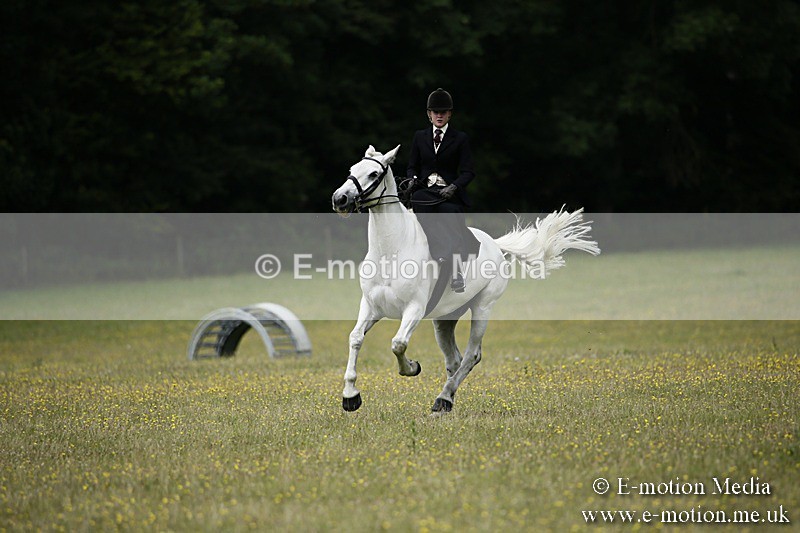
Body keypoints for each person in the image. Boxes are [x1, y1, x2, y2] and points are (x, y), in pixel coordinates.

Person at [403, 88, 479, 293]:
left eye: (443, 112)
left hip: (449, 194)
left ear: (449, 114)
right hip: (425, 191)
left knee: (450, 214)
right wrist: (412, 180)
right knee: (418, 200)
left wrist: (454, 187)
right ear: (429, 114)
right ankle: (428, 255)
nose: (439, 115)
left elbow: (468, 172)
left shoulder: (460, 138)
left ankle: (456, 271)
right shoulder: (419, 137)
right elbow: (412, 166)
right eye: (435, 112)